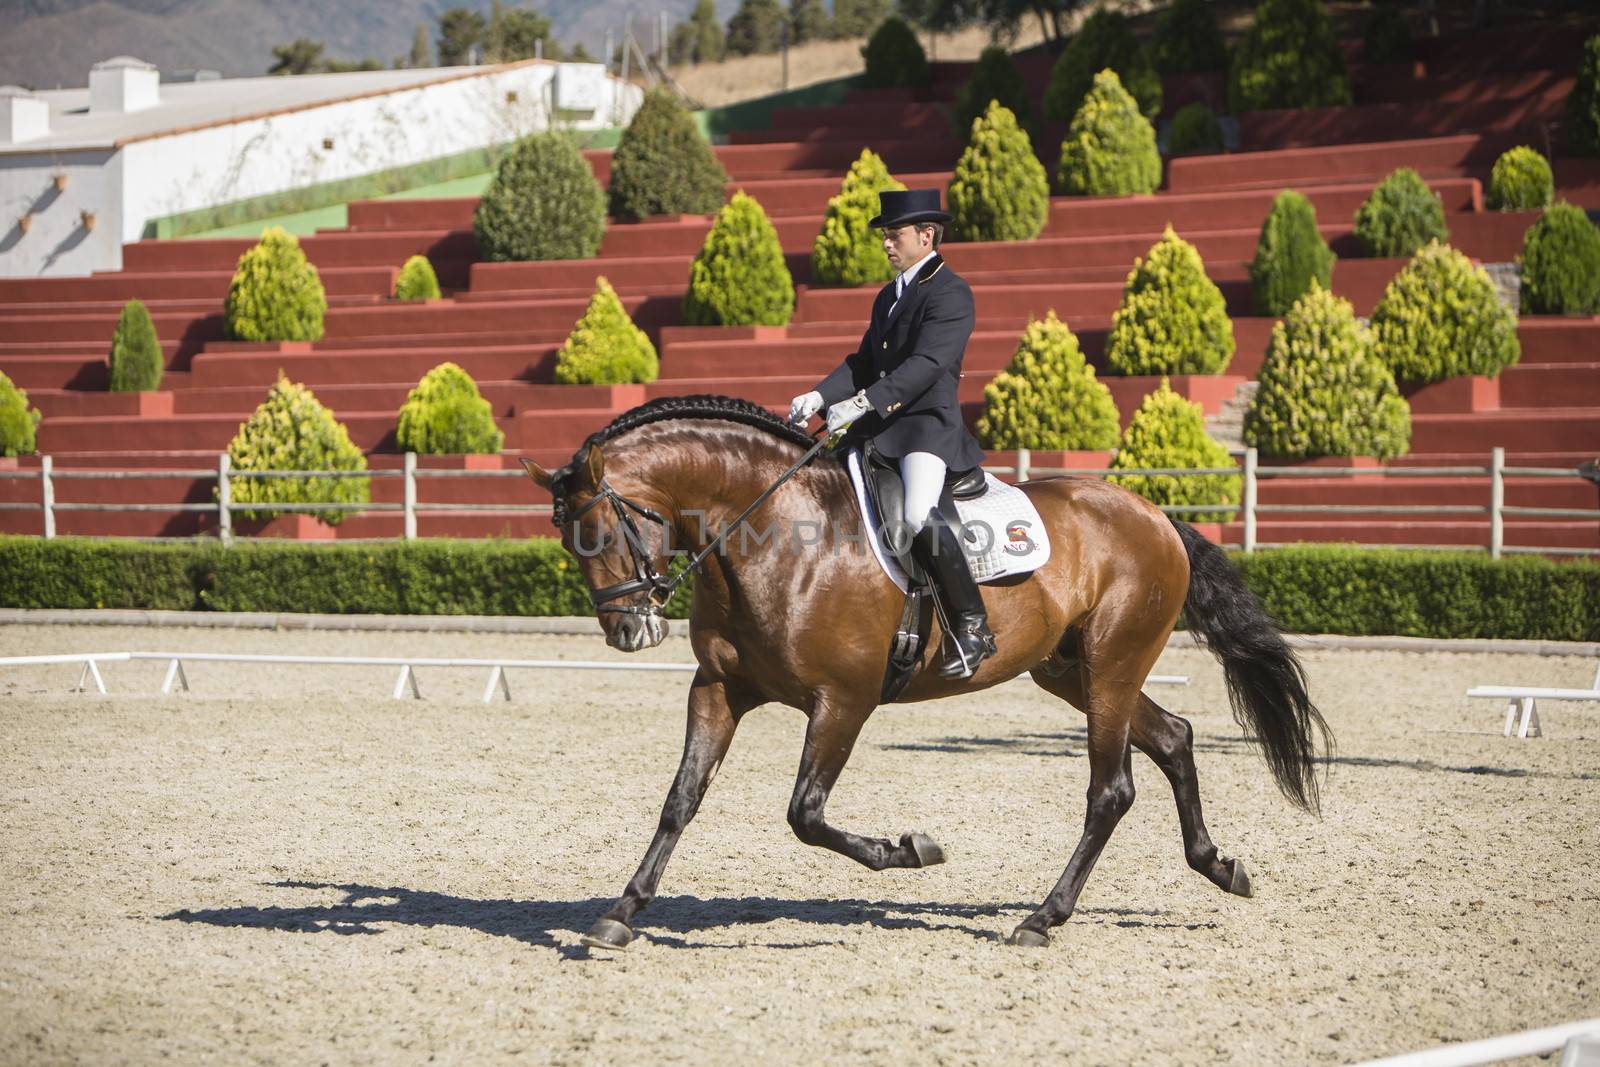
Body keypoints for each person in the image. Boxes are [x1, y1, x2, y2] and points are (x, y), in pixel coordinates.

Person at [787, 188, 996, 679]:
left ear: (926, 235)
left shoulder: (951, 292)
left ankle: (972, 626)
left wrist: (864, 402)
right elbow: (864, 363)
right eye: (885, 235)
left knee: (920, 511)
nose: (887, 243)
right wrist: (819, 396)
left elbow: (928, 363)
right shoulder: (890, 295)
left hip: (926, 428)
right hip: (881, 428)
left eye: (894, 234)